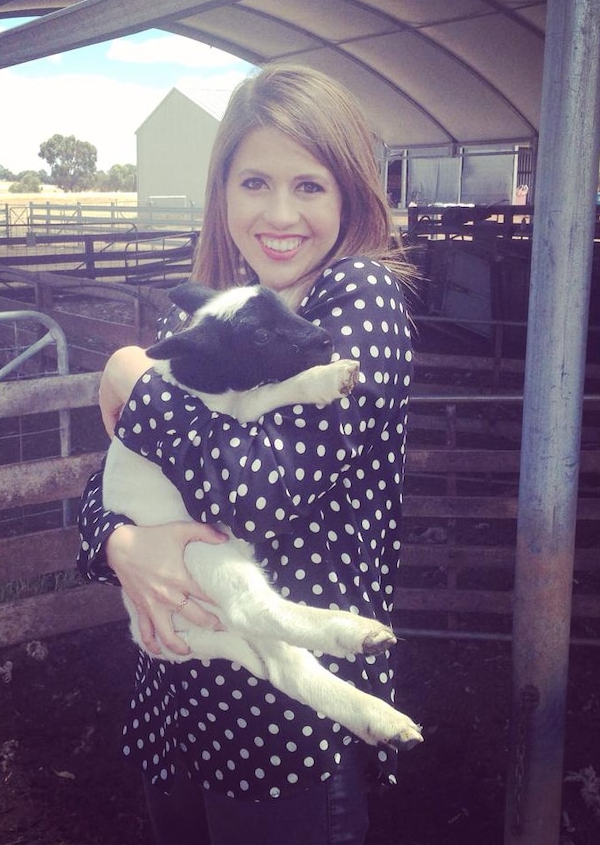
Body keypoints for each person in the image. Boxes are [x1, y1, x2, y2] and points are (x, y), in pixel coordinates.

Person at [77, 63, 416, 845]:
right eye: (255, 182)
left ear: (351, 193)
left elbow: (254, 495)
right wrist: (124, 544)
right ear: (222, 192)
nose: (279, 214)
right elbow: (106, 490)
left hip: (283, 721)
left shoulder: (357, 296)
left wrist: (133, 373)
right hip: (180, 691)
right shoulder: (223, 307)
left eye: (310, 186)